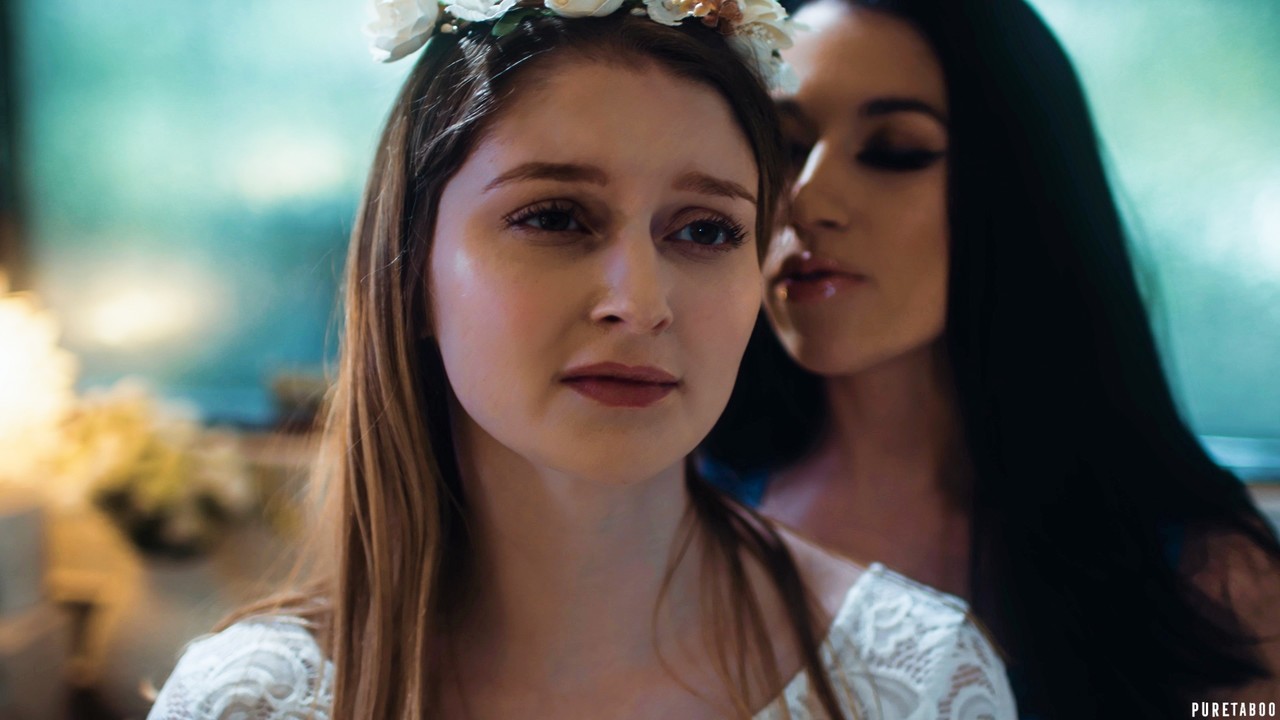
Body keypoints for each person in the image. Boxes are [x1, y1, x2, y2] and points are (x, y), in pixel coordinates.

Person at [146, 0, 1018, 717]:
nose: (640, 302)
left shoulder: (915, 684)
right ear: (409, 273)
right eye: (556, 217)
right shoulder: (246, 703)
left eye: (706, 230)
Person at [700, 0, 1280, 716]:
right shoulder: (676, 508)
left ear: (1020, 190)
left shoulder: (1206, 578)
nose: (808, 199)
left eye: (895, 151)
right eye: (784, 147)